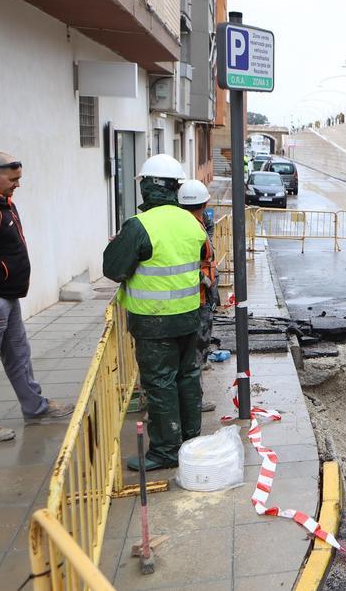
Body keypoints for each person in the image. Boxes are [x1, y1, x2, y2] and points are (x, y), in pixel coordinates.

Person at [103, 154, 206, 470]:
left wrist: (119, 245)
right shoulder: (191, 221)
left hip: (153, 322)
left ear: (145, 187)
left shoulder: (139, 225)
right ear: (177, 188)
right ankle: (190, 441)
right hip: (189, 316)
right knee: (188, 378)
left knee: (160, 384)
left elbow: (114, 269)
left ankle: (165, 452)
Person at [0, 153, 72, 442]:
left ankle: (35, 406)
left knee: (18, 355)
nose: (17, 185)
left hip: (7, 298)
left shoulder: (0, 201)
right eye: (13, 180)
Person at [176, 179, 217, 413]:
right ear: (204, 204)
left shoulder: (197, 223)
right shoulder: (190, 229)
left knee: (194, 352)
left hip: (192, 296)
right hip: (195, 297)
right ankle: (194, 401)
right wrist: (204, 279)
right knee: (195, 353)